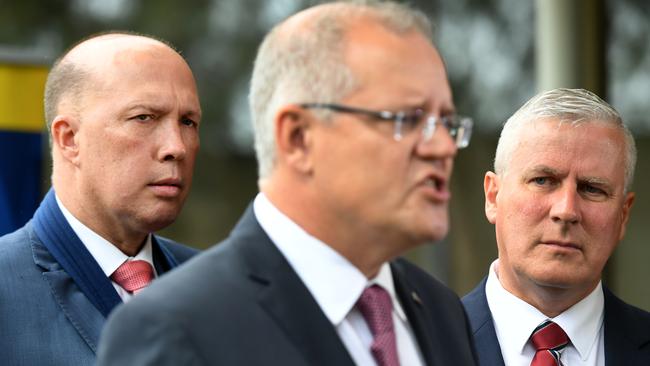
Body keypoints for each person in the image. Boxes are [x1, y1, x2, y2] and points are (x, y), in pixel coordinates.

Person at [97, 1, 477, 366]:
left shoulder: (442, 311)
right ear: (298, 138)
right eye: (408, 119)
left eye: (446, 122)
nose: (443, 146)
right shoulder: (176, 328)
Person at [0, 32, 202, 365]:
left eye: (188, 122)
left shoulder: (222, 289)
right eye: (144, 117)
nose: (176, 147)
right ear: (69, 139)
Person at [462, 88, 650, 365]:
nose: (566, 210)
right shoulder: (417, 347)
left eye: (592, 188)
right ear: (493, 197)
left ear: (623, 215)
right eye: (542, 180)